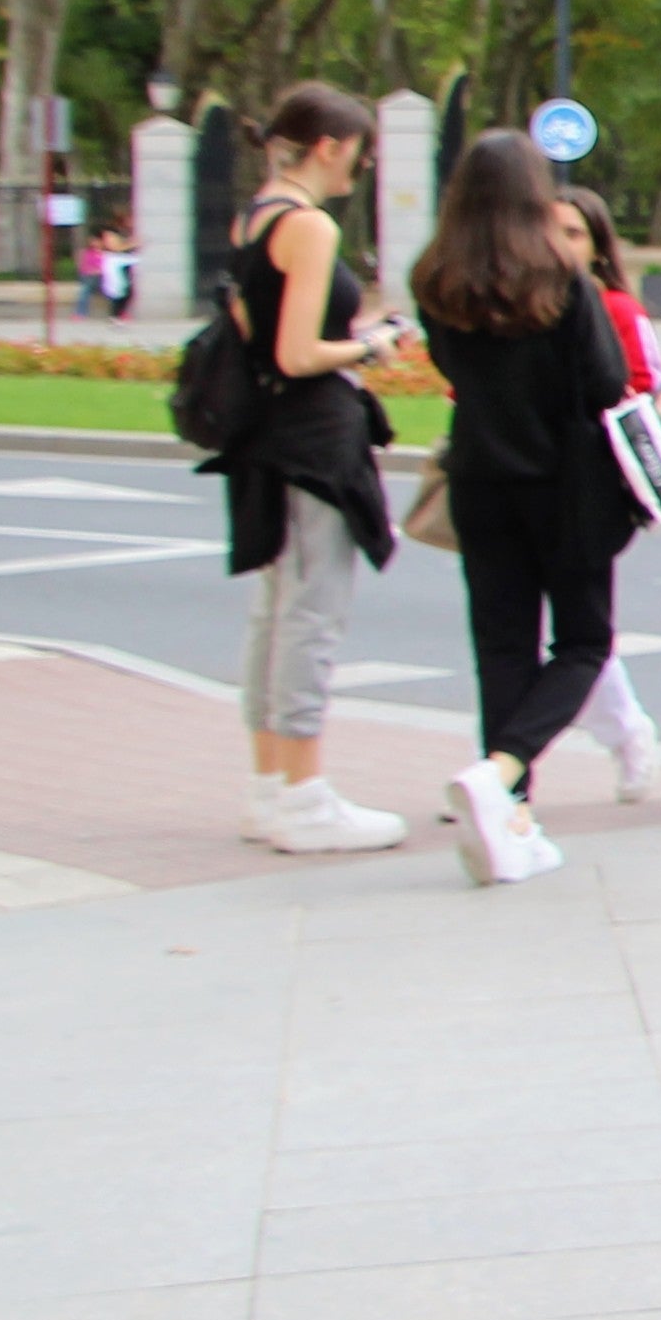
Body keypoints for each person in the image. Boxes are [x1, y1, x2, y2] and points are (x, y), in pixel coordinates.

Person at [414, 134, 647, 888]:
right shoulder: (563, 282)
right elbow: (607, 381)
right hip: (567, 484)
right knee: (583, 643)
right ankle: (501, 772)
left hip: (480, 480)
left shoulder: (439, 281)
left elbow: (450, 368)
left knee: (503, 648)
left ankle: (511, 815)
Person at [202, 84, 412, 856]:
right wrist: (372, 345)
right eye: (357, 150)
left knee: (276, 608)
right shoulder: (311, 228)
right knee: (311, 614)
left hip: (264, 434)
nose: (360, 165)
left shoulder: (254, 217)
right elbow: (299, 353)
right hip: (313, 437)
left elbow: (260, 335)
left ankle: (269, 785)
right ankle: (305, 793)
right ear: (329, 146)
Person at [550, 192, 661, 802]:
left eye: (574, 233)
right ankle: (505, 766)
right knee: (528, 630)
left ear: (597, 245)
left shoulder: (616, 308)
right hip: (529, 481)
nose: (560, 244)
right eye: (551, 230)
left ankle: (625, 731)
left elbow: (644, 386)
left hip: (589, 484)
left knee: (580, 627)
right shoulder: (523, 302)